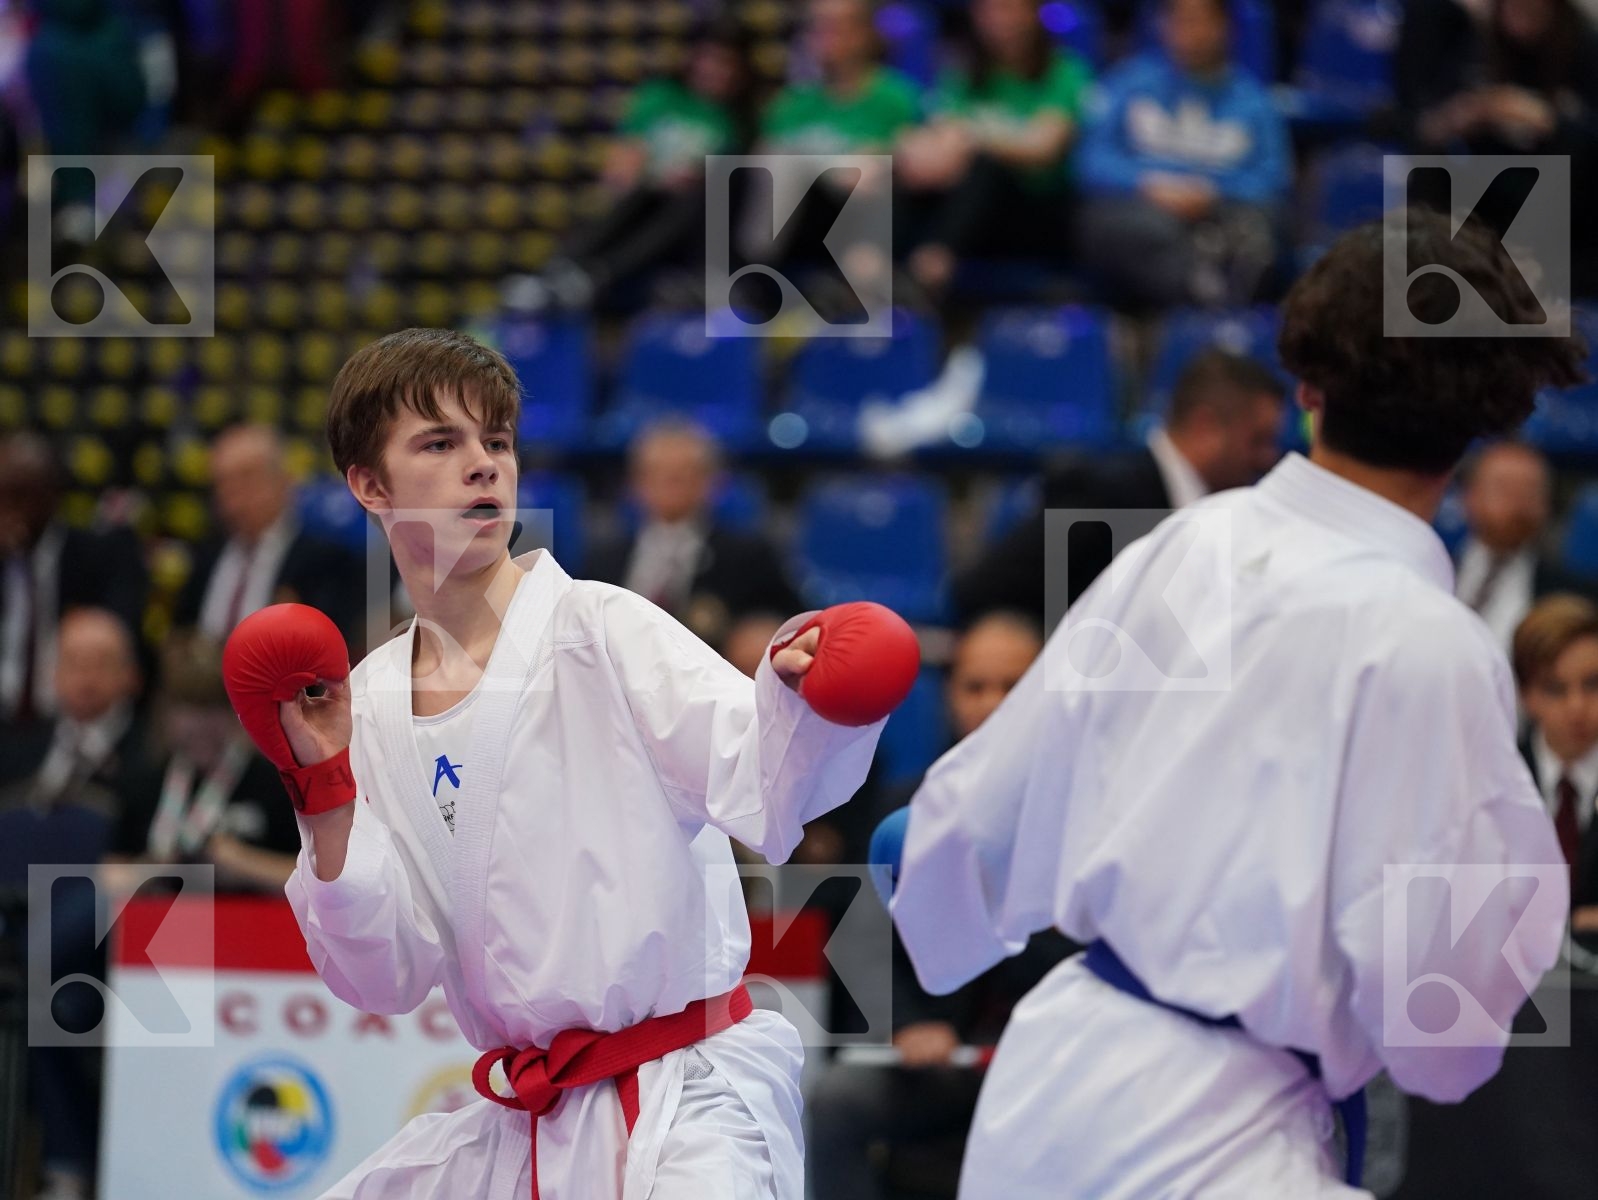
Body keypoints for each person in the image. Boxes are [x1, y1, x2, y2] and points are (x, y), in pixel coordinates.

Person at [889, 209, 1584, 1197]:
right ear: (1485, 425)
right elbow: (1439, 1026)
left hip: (1049, 1089)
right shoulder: (1429, 647)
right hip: (1221, 1139)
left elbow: (981, 813)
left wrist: (932, 900)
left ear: (1304, 392)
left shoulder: (1191, 543)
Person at [225, 327, 910, 1198]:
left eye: (496, 441)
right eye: (440, 443)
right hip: (530, 1118)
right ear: (368, 484)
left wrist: (804, 700)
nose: (483, 465)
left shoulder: (597, 628)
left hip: (689, 1098)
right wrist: (322, 796)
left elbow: (768, 795)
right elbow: (382, 976)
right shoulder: (368, 708)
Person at [808, 612, 1073, 1200]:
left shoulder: (1084, 808)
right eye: (975, 686)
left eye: (1012, 686)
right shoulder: (907, 806)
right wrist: (905, 1024)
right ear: (950, 695)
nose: (991, 703)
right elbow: (858, 932)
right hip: (939, 1065)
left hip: (1057, 1066)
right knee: (836, 1102)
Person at [953, 348, 1284, 625]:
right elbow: (983, 591)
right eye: (1257, 441)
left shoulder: (1215, 511)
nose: (1268, 458)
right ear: (1204, 426)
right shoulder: (1103, 493)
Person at [508, 15, 756, 315]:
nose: (719, 72)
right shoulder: (661, 97)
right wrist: (660, 175)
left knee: (690, 196)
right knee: (642, 190)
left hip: (696, 224)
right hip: (645, 200)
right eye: (712, 60)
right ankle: (560, 271)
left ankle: (595, 277)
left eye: (728, 63)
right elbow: (619, 171)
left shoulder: (740, 122)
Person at [1075, 0, 1291, 309]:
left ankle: (1207, 282)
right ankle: (1207, 289)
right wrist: (1149, 184)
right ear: (1164, 26)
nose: (1191, 32)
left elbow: (1272, 177)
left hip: (1219, 211)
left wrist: (1211, 193)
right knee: (1107, 224)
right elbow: (1091, 160)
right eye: (1180, 21)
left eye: (1201, 21)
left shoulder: (1253, 101)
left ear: (1226, 28)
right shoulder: (1129, 82)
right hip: (1143, 211)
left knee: (1263, 225)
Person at [896, 0, 1094, 300]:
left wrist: (971, 139)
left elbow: (1044, 148)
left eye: (1009, 8)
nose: (999, 20)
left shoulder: (1064, 73)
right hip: (973, 214)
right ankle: (867, 272)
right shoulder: (963, 74)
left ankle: (929, 272)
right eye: (988, 10)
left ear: (1033, 13)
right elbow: (939, 137)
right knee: (904, 172)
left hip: (1037, 211)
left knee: (986, 166)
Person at [1399, 0, 1598, 296]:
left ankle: (1518, 280)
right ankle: (1430, 281)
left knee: (1564, 164)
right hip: (1490, 195)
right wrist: (1472, 113)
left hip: (1562, 217)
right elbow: (1426, 124)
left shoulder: (1584, 47)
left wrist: (1547, 119)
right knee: (1432, 165)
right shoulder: (1474, 43)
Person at [741, 0, 920, 322]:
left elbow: (919, 160)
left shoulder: (895, 97)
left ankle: (865, 290)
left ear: (865, 34)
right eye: (817, 27)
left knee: (875, 173)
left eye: (838, 26)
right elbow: (762, 163)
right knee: (778, 165)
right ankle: (754, 281)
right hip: (797, 227)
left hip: (866, 220)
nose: (826, 37)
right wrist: (833, 167)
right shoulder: (791, 104)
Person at [104, 633, 300, 894]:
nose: (201, 726)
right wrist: (154, 868)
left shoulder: (276, 784)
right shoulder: (143, 782)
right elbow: (108, 877)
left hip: (253, 928)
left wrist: (245, 865)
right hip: (163, 929)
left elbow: (316, 884)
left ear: (236, 711)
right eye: (189, 708)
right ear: (165, 713)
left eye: (213, 708)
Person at [584, 420, 800, 651]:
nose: (669, 485)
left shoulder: (747, 557)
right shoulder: (604, 561)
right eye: (657, 474)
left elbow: (789, 622)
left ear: (711, 482)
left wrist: (761, 634)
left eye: (681, 475)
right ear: (635, 483)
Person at [0, 434, 148, 728]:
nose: (8, 511)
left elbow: (119, 647)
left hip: (71, 723)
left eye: (19, 496)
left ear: (51, 496)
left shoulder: (101, 558)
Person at [173, 423, 362, 649]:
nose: (233, 496)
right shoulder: (204, 558)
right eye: (222, 483)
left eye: (246, 478)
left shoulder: (325, 562)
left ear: (283, 479)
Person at [1511, 593, 1598, 936]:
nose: (1577, 707)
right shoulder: (1495, 781)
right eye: (1555, 688)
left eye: (1592, 684)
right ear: (1526, 696)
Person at [1454, 440, 1590, 647]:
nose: (1517, 504)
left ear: (1547, 504)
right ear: (1469, 496)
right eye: (1504, 489)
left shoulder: (1572, 596)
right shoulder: (1429, 572)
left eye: (1530, 491)